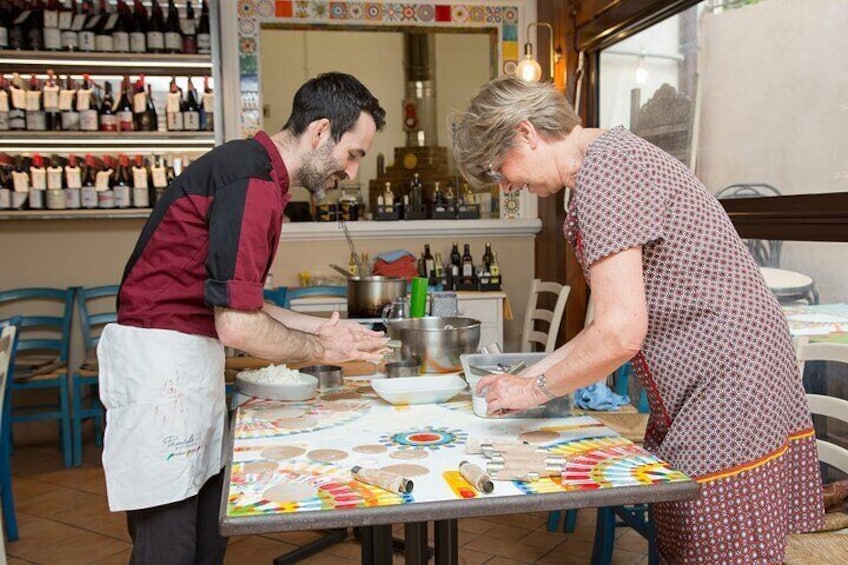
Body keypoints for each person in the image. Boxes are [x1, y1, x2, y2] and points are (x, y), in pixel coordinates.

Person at [451, 77, 824, 564]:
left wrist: (532, 390)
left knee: (714, 541)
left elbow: (620, 331)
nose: (507, 184)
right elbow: (603, 329)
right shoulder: (609, 159)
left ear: (526, 133)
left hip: (729, 381)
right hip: (727, 373)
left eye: (499, 168)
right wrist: (525, 379)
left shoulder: (608, 171)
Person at [97, 72, 388, 564]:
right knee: (169, 550)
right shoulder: (250, 179)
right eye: (353, 154)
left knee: (208, 540)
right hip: (161, 372)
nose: (353, 172)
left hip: (185, 365)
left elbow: (239, 301)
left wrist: (321, 328)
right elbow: (237, 324)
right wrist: (323, 351)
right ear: (320, 132)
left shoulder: (258, 175)